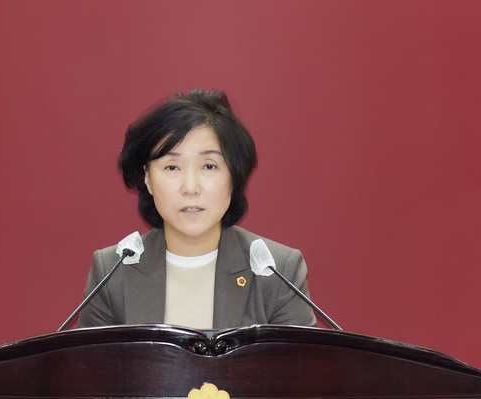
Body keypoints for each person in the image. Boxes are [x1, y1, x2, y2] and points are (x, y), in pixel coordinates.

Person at [78, 89, 316, 329]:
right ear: (147, 178)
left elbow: (296, 355)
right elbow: (94, 355)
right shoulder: (112, 274)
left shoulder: (277, 272)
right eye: (172, 167)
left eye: (209, 166)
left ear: (233, 176)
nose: (190, 188)